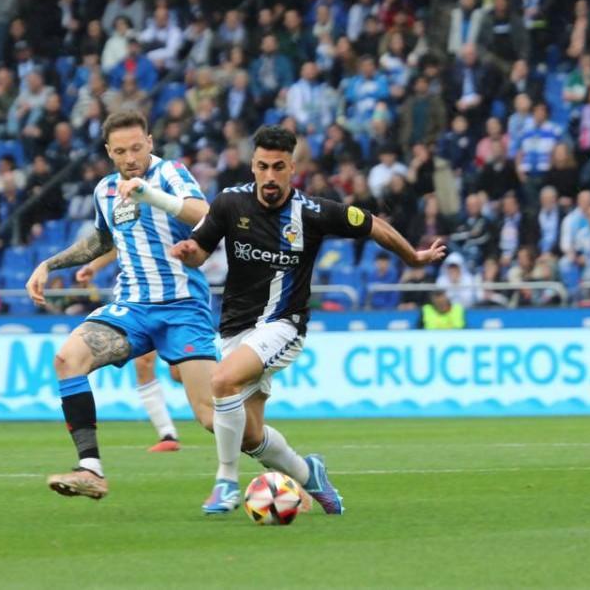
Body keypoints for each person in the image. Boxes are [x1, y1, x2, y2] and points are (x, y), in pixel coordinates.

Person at [171, 125, 446, 515]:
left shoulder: (314, 212)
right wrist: (189, 251)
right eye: (263, 166)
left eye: (278, 167)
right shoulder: (230, 203)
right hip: (235, 328)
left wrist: (413, 258)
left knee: (222, 380)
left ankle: (225, 483)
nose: (269, 176)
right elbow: (201, 249)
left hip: (284, 325)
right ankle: (309, 472)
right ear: (252, 166)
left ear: (291, 168)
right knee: (247, 435)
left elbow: (373, 225)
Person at [25, 110, 217, 500]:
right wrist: (49, 264)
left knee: (211, 417)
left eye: (136, 148)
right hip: (132, 309)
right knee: (67, 359)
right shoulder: (106, 190)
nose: (130, 158)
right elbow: (100, 240)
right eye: (120, 151)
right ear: (108, 152)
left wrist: (151, 195)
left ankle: (296, 468)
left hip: (183, 306)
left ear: (149, 141)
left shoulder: (171, 173)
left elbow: (204, 213)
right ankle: (91, 469)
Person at [74, 251, 182, 453]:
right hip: (138, 299)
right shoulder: (129, 222)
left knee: (179, 373)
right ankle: (167, 434)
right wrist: (93, 267)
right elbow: (118, 243)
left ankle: (231, 396)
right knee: (143, 364)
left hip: (176, 297)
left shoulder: (170, 221)